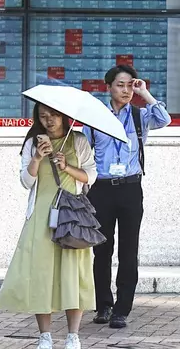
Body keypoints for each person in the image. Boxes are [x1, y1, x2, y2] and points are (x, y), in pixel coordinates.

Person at [0, 103, 97, 349]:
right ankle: (45, 336)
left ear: (64, 116)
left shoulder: (78, 140)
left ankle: (73, 336)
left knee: (74, 274)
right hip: (41, 215)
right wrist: (38, 157)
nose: (49, 120)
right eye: (43, 116)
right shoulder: (32, 142)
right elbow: (26, 181)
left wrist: (67, 167)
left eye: (54, 115)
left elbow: (90, 176)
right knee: (41, 274)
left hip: (71, 216)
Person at [83, 65, 171, 329]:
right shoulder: (95, 117)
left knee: (129, 251)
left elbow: (164, 119)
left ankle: (122, 309)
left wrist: (145, 93)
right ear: (108, 87)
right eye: (120, 85)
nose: (125, 90)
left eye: (129, 85)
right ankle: (103, 305)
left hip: (131, 188)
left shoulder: (138, 115)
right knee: (102, 250)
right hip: (101, 189)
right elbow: (84, 151)